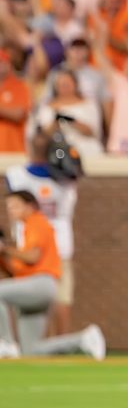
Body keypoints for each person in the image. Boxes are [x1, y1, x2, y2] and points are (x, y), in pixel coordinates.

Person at [0, 191, 105, 360]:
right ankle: (83, 339)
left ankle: (5, 342)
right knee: (31, 350)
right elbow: (13, 273)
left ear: (30, 206)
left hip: (41, 283)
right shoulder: (25, 229)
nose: (11, 210)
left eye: (15, 205)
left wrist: (5, 249)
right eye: (9, 207)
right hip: (31, 288)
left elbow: (33, 257)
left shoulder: (37, 222)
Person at [6, 130, 78, 338]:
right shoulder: (63, 176)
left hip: (41, 247)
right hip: (53, 243)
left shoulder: (20, 176)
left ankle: (49, 343)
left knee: (51, 300)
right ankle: (52, 344)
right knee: (56, 299)